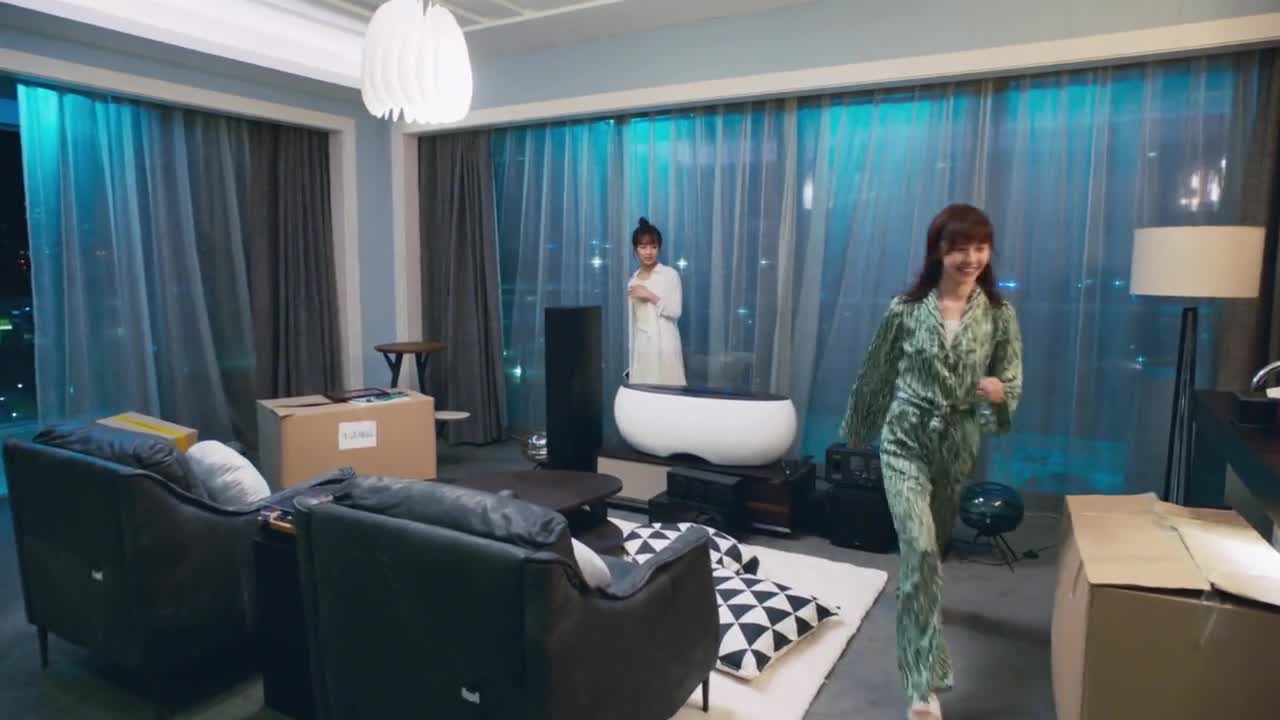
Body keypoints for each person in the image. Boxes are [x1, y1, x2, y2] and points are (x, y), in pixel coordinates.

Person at [839, 204, 1023, 720]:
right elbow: (877, 371)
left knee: (931, 552)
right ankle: (921, 684)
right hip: (905, 438)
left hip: (956, 444)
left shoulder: (1000, 314)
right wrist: (858, 432)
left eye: (980, 247)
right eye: (959, 247)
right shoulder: (905, 309)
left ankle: (922, 612)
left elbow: (1011, 376)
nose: (971, 258)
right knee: (919, 551)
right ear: (938, 251)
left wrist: (998, 393)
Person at [625, 217, 687, 386]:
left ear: (659, 248)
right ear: (635, 250)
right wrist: (632, 355)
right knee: (644, 393)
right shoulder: (633, 281)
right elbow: (634, 323)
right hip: (642, 347)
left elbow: (675, 311)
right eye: (643, 247)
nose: (648, 252)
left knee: (668, 392)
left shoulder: (669, 274)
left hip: (665, 345)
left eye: (653, 247)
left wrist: (650, 295)